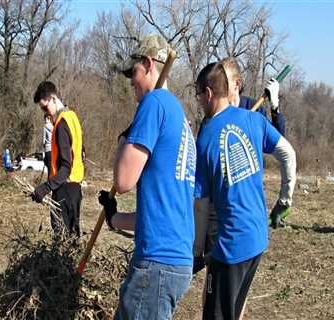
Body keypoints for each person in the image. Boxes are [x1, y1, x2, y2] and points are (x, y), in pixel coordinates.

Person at [97, 35, 197, 319]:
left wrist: (126, 139)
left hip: (156, 265)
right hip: (175, 262)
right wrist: (114, 218)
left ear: (149, 64)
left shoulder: (154, 104)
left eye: (134, 74)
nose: (131, 83)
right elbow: (161, 213)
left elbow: (123, 181)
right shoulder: (179, 117)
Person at [193, 62, 296, 320]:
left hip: (230, 246)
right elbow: (289, 154)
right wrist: (285, 198)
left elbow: (201, 205)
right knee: (234, 310)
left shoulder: (205, 138)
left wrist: (195, 251)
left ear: (208, 94)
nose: (198, 103)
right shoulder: (253, 120)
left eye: (197, 96)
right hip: (258, 237)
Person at [32, 81, 84, 238]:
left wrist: (45, 188)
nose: (45, 113)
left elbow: (66, 166)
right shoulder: (72, 117)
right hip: (75, 189)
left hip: (64, 190)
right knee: (72, 239)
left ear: (53, 98)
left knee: (62, 239)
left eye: (45, 108)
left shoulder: (61, 125)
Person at [222, 57, 285, 135]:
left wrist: (274, 108)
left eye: (224, 83)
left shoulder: (256, 110)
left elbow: (277, 139)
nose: (219, 87)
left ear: (237, 84)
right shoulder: (215, 113)